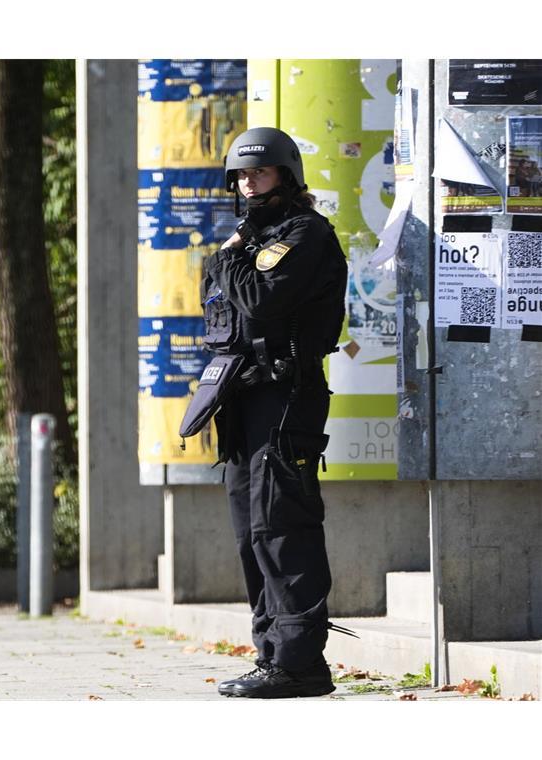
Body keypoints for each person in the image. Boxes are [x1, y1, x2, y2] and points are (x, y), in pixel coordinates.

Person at [198, 127, 349, 698]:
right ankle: (272, 655)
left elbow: (261, 299)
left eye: (258, 173)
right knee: (250, 532)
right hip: (245, 398)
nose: (248, 184)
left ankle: (300, 662)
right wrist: (231, 261)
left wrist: (228, 262)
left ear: (286, 175)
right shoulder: (254, 238)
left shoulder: (305, 234)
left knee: (281, 527)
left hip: (287, 397)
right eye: (240, 176)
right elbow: (225, 310)